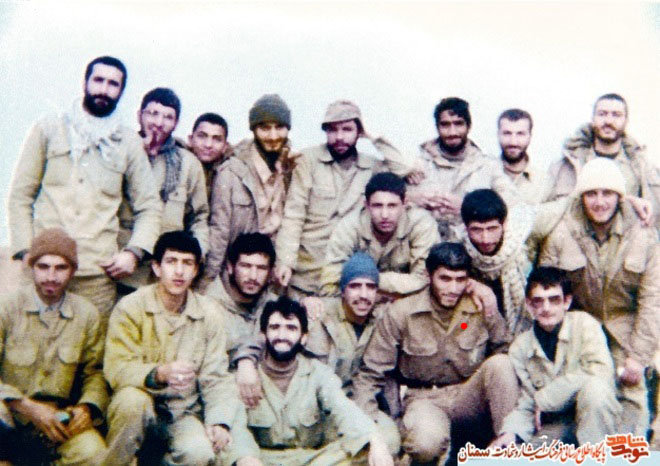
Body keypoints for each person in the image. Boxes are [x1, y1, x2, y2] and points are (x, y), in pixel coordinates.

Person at [7, 55, 162, 323]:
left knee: (89, 347)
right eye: (98, 80)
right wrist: (25, 251)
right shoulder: (49, 129)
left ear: (121, 91)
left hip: (95, 275)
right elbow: (21, 195)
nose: (104, 90)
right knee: (30, 341)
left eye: (113, 84)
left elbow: (149, 206)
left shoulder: (127, 142)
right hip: (43, 268)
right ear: (85, 83)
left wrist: (134, 252)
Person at [353, 243, 517, 465]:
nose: (453, 288)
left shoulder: (480, 306)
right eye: (445, 279)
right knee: (424, 445)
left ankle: (509, 450)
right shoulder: (402, 313)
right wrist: (371, 429)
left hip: (468, 396)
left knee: (502, 363)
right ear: (429, 276)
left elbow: (506, 351)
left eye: (460, 280)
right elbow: (370, 374)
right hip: (424, 399)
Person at [539, 157, 660, 437]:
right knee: (582, 402)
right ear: (581, 197)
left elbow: (653, 300)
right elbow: (546, 291)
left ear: (620, 197)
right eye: (591, 193)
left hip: (626, 330)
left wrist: (637, 357)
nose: (600, 202)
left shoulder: (643, 233)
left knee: (632, 404)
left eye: (608, 193)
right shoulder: (562, 231)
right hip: (580, 331)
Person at [103, 231, 247, 465]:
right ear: (156, 267)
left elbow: (217, 376)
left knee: (200, 454)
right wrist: (158, 374)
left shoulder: (209, 313)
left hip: (182, 412)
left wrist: (219, 421)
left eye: (187, 263)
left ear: (196, 270)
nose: (179, 271)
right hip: (141, 406)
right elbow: (116, 368)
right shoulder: (130, 307)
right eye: (171, 262)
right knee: (131, 402)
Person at [273, 100, 416, 298]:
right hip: (308, 270)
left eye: (347, 129)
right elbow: (293, 215)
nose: (339, 137)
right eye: (332, 130)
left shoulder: (371, 167)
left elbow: (404, 168)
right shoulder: (308, 160)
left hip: (350, 272)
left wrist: (373, 136)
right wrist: (285, 262)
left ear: (359, 132)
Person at [232, 296, 394, 466]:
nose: (282, 335)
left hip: (314, 460)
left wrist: (373, 439)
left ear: (303, 337)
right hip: (262, 459)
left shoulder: (318, 373)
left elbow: (342, 408)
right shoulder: (245, 377)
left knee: (375, 444)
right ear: (263, 335)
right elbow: (237, 428)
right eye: (275, 327)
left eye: (291, 328)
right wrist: (246, 458)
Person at [0, 229, 107, 465]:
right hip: (10, 416)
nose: (51, 276)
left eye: (61, 268)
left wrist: (87, 407)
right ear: (31, 267)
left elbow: (95, 372)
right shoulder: (6, 308)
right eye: (43, 267)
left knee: (95, 455)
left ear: (73, 271)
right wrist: (26, 406)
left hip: (58, 421)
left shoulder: (86, 314)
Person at [492, 267, 620, 448]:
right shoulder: (520, 347)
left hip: (597, 419)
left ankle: (597, 457)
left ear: (566, 302)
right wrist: (511, 432)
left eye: (554, 300)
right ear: (529, 305)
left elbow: (599, 372)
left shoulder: (585, 325)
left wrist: (546, 398)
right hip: (557, 423)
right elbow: (528, 403)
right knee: (520, 453)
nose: (546, 308)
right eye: (538, 301)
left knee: (595, 390)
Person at [203, 94, 300, 289]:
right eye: (265, 128)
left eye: (279, 127)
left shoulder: (292, 168)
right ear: (254, 129)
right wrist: (207, 282)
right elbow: (219, 232)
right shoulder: (232, 172)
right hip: (235, 278)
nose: (273, 136)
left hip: (274, 277)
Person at [118, 87, 209, 291]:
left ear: (176, 123)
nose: (159, 123)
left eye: (168, 117)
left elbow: (199, 218)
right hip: (125, 271)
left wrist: (196, 255)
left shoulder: (188, 164)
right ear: (139, 116)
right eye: (153, 113)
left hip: (168, 277)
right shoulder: (119, 154)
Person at [406, 97, 518, 241]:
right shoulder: (416, 162)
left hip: (471, 247)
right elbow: (389, 198)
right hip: (426, 245)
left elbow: (511, 203)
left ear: (469, 126)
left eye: (458, 124)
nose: (452, 132)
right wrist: (414, 198)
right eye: (445, 125)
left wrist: (468, 207)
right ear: (437, 127)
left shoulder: (487, 165)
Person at [320, 172, 439, 298]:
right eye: (377, 206)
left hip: (407, 301)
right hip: (359, 302)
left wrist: (364, 278)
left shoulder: (422, 224)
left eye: (392, 206)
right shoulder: (349, 227)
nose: (384, 215)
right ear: (366, 205)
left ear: (405, 204)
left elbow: (424, 280)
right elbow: (329, 285)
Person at [545, 93, 660, 221]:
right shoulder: (564, 167)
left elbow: (654, 220)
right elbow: (543, 214)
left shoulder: (642, 169)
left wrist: (628, 202)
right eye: (602, 114)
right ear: (593, 119)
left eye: (616, 115)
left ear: (626, 120)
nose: (609, 121)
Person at [497, 108, 549, 204]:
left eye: (520, 134)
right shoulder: (483, 173)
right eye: (507, 133)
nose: (513, 142)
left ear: (530, 136)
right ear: (498, 135)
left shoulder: (544, 182)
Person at [187, 112, 233, 202]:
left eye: (217, 139)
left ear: (225, 146)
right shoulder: (178, 166)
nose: (208, 145)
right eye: (202, 136)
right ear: (190, 140)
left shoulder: (230, 173)